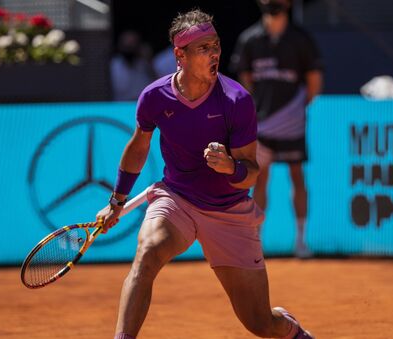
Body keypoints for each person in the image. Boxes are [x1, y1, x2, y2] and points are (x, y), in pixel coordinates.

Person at [97, 9, 313, 339]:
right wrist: (117, 199)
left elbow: (250, 174)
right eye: (203, 48)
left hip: (229, 212)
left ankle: (290, 328)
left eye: (216, 46)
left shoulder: (237, 100)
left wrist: (231, 167)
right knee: (147, 253)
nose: (214, 54)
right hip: (177, 200)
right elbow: (138, 148)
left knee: (260, 323)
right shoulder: (154, 97)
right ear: (179, 55)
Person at [230, 0, 323, 258]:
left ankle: (301, 241)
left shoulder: (301, 39)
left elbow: (314, 81)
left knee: (297, 176)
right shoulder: (250, 39)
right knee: (259, 179)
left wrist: (295, 109)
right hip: (261, 125)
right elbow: (245, 80)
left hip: (292, 123)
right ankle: (256, 241)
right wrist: (259, 110)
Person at [110, 30, 157, 101]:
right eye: (127, 45)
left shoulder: (144, 64)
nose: (129, 47)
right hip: (119, 107)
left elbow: (159, 84)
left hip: (142, 105)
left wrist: (149, 61)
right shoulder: (113, 65)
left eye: (132, 43)